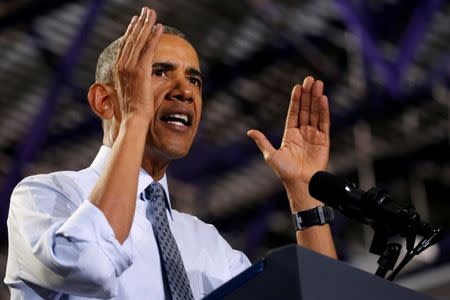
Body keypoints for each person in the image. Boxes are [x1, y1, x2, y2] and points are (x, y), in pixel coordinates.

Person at [4, 7, 336, 300]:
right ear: (104, 101)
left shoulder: (206, 243)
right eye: (160, 71)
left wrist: (305, 194)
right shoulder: (45, 198)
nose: (185, 91)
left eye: (194, 80)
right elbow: (94, 263)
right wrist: (135, 117)